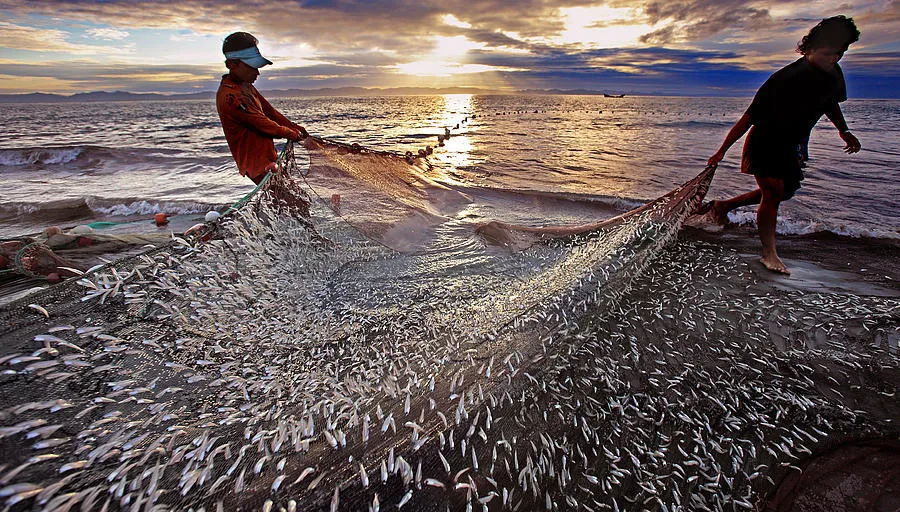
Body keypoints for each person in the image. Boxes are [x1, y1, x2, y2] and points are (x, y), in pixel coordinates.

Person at [703, 16, 862, 275]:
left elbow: (830, 102)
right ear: (809, 49)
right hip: (764, 141)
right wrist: (722, 150)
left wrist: (843, 130)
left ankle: (723, 206)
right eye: (828, 53)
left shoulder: (833, 74)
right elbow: (748, 117)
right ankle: (769, 254)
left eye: (840, 54)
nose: (834, 59)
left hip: (793, 143)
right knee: (773, 191)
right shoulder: (784, 79)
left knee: (783, 192)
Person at [216, 32, 308, 185]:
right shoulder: (231, 98)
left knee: (294, 202)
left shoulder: (246, 87)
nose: (257, 72)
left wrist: (295, 127)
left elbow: (270, 112)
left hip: (268, 159)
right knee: (293, 202)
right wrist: (292, 134)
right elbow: (264, 125)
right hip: (258, 167)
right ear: (233, 65)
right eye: (252, 67)